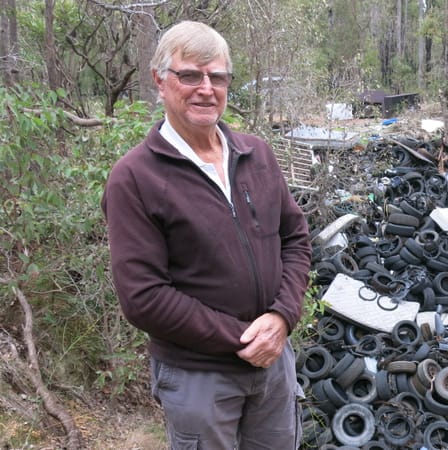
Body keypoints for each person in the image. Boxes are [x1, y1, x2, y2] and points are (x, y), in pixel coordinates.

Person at [102, 21, 311, 450]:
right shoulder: (135, 178)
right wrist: (243, 339)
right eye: (190, 75)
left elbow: (295, 238)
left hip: (273, 366)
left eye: (217, 77)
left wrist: (281, 317)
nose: (205, 88)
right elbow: (143, 297)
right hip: (198, 376)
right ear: (159, 81)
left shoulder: (256, 155)